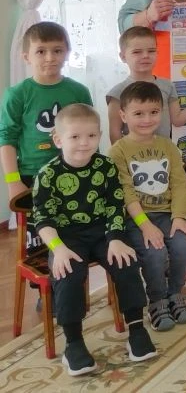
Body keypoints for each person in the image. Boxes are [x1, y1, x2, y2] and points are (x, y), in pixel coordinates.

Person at [31, 104, 156, 375]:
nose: (84, 143)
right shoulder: (48, 175)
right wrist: (58, 249)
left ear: (99, 136)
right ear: (58, 139)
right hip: (66, 237)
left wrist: (116, 238)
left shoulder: (106, 166)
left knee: (126, 262)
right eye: (75, 137)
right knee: (68, 273)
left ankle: (136, 329)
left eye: (90, 136)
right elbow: (43, 219)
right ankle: (74, 343)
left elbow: (114, 205)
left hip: (103, 231)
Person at [108, 81, 186, 331]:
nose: (147, 119)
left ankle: (174, 293)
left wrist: (180, 217)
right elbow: (125, 192)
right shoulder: (118, 151)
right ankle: (157, 299)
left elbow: (179, 183)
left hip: (168, 214)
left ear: (162, 112)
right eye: (138, 113)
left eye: (154, 112)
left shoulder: (168, 146)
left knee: (183, 245)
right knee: (155, 252)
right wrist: (145, 225)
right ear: (123, 115)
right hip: (136, 219)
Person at [2, 21, 93, 200]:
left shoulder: (79, 91)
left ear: (67, 53)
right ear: (26, 57)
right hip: (32, 174)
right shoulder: (16, 95)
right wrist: (13, 182)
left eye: (57, 50)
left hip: (76, 170)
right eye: (41, 51)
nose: (50, 58)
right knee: (39, 219)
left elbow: (90, 133)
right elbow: (7, 139)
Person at [106, 26, 186, 147]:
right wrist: (123, 157)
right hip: (133, 155)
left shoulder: (167, 86)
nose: (145, 55)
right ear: (123, 57)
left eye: (151, 51)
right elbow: (114, 133)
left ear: (157, 53)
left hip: (164, 153)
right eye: (137, 52)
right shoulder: (117, 92)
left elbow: (178, 120)